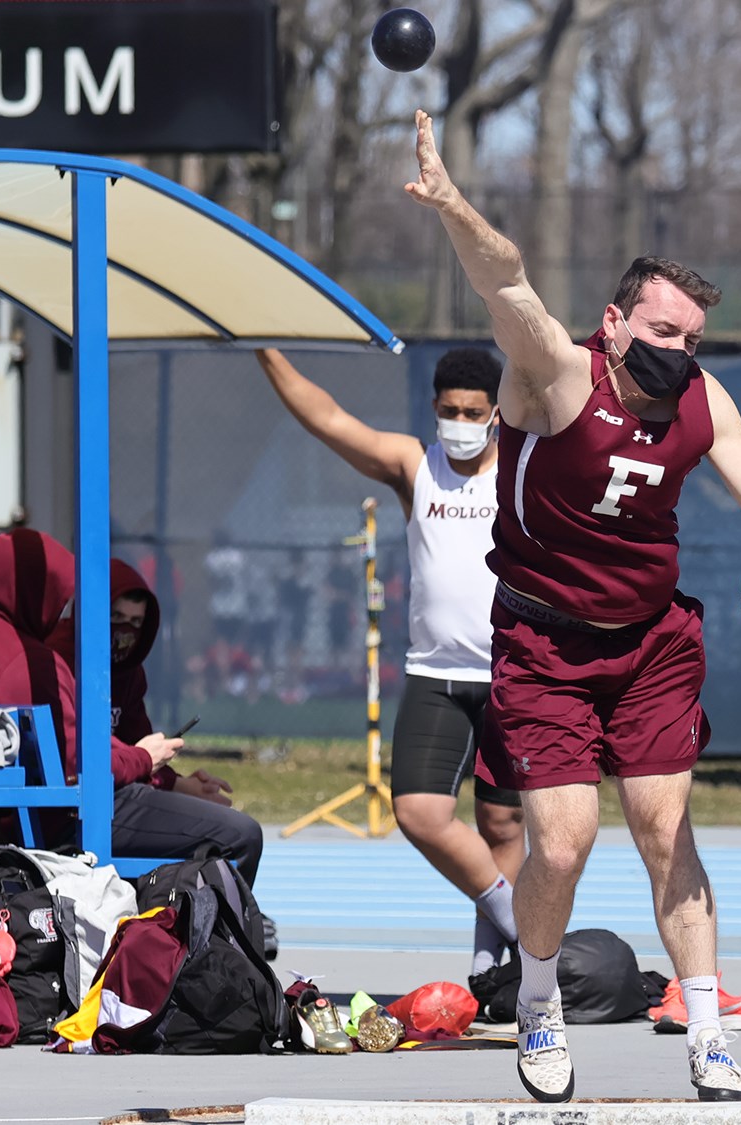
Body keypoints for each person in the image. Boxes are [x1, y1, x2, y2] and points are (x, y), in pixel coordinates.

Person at [404, 110, 741, 1103]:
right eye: (662, 331)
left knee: (666, 828)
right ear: (616, 322)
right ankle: (538, 1002)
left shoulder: (702, 399)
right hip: (543, 641)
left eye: (693, 337)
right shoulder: (556, 375)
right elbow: (504, 279)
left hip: (653, 643)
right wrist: (453, 205)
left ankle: (705, 1033)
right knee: (565, 841)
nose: (678, 350)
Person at [256, 345, 525, 976]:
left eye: (474, 412)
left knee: (503, 822)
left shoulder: (519, 465)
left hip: (511, 673)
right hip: (436, 674)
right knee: (419, 814)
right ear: (435, 409)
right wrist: (266, 354)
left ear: (495, 415)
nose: (460, 421)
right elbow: (327, 418)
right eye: (450, 410)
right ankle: (528, 932)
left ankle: (491, 975)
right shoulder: (416, 465)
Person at [0, 530, 264, 882]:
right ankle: (211, 928)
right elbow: (78, 766)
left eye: (136, 623)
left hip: (10, 812)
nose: (124, 632)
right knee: (242, 835)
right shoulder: (31, 662)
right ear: (37, 593)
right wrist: (143, 759)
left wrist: (167, 778)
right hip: (63, 817)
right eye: (56, 597)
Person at [46, 558, 236, 807]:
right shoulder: (55, 660)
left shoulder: (130, 673)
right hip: (67, 801)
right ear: (91, 612)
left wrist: (183, 786)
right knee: (236, 832)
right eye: (116, 616)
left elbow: (135, 744)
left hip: (114, 792)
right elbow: (75, 755)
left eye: (136, 622)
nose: (125, 631)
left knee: (228, 825)